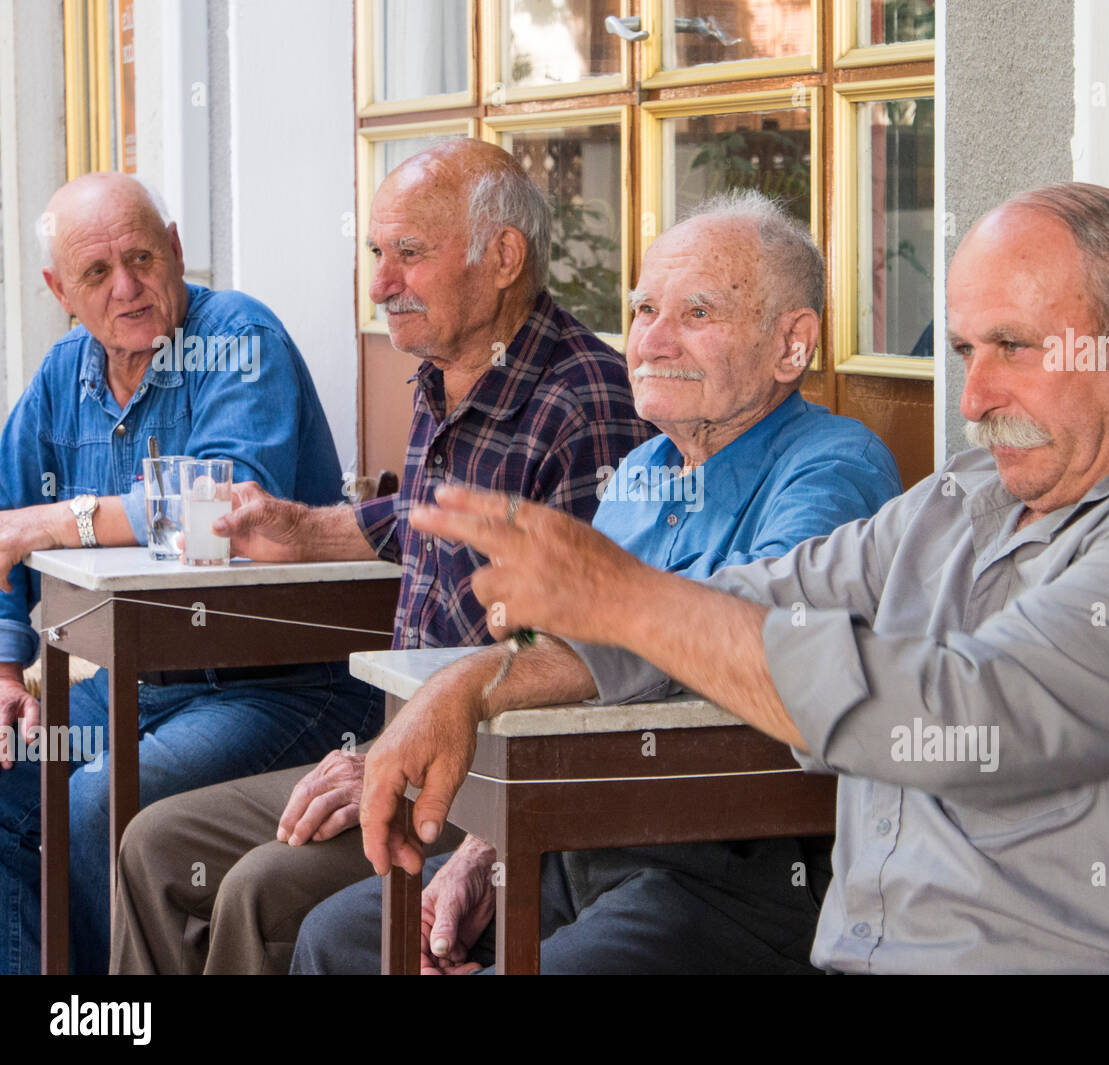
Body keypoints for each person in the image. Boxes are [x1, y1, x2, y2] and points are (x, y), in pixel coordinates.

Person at [357, 182, 1109, 973]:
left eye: (1013, 348)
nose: (972, 399)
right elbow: (752, 600)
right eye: (966, 352)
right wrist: (474, 682)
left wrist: (624, 593)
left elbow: (957, 718)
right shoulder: (964, 499)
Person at [291, 189, 902, 975]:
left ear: (792, 345)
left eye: (697, 313)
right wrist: (485, 852)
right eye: (645, 308)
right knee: (340, 938)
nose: (652, 339)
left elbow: (745, 638)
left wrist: (476, 679)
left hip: (727, 871)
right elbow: (565, 661)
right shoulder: (641, 472)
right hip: (574, 844)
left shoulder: (833, 466)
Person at [109, 139, 650, 975]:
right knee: (152, 841)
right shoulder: (446, 374)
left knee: (257, 886)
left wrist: (400, 775)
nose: (378, 284)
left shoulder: (583, 406)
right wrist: (292, 526)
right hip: (391, 747)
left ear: (503, 257)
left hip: (482, 789)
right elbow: (412, 521)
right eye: (375, 254)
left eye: (408, 254)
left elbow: (584, 659)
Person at [0, 172, 377, 974]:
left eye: (141, 257)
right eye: (97, 274)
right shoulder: (62, 376)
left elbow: (222, 513)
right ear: (58, 289)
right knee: (6, 775)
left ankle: (112, 1016)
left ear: (175, 248)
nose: (127, 288)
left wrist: (61, 519)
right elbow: (5, 531)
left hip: (279, 684)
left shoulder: (239, 337)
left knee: (97, 800)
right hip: (137, 688)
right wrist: (3, 668)